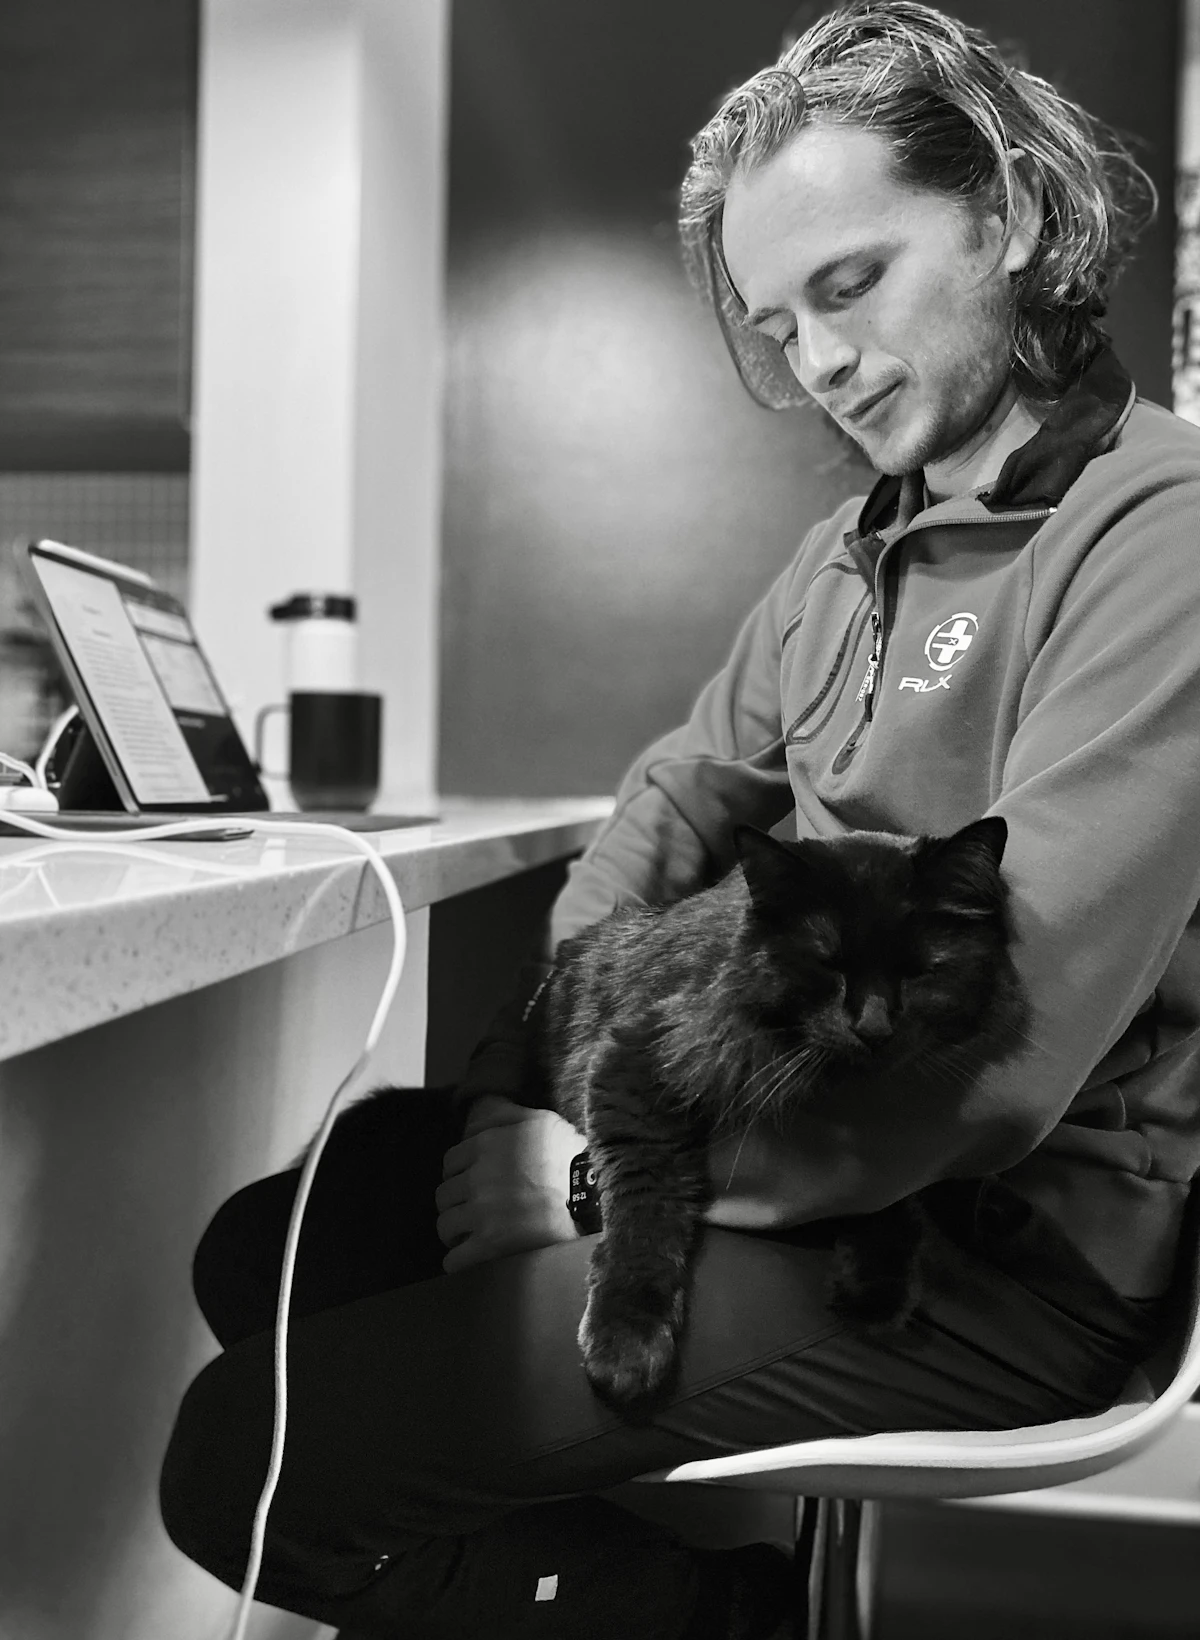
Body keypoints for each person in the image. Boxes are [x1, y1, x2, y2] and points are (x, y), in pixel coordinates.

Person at [159, 5, 1200, 1637]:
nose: (822, 364)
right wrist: (581, 1087)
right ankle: (646, 1568)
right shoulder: (858, 551)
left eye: (849, 286)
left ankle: (725, 1619)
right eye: (782, 327)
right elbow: (677, 793)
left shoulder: (1161, 541)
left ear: (1004, 214)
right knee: (281, 1243)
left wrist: (593, 1191)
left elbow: (1003, 1061)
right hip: (771, 1141)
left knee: (248, 1461)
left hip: (997, 1241)